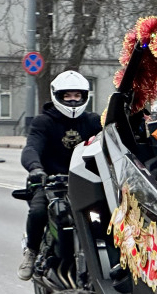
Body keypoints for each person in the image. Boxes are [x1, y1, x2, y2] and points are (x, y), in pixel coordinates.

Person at [18, 70, 101, 280]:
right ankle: (32, 251)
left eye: (77, 95)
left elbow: (110, 144)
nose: (73, 100)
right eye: (67, 96)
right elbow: (31, 148)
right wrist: (36, 169)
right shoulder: (43, 122)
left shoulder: (93, 122)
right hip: (51, 183)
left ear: (84, 96)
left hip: (87, 182)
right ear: (57, 96)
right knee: (38, 212)